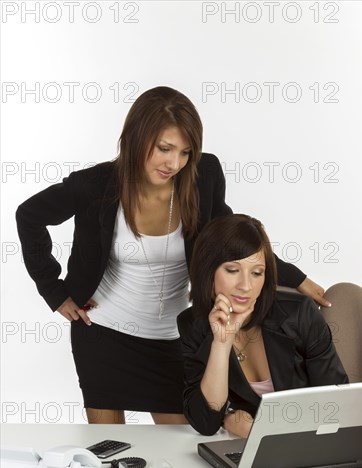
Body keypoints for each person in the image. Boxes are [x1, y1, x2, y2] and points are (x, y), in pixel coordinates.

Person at [16, 86, 329, 425]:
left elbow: (231, 240)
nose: (174, 163)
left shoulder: (202, 176)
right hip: (103, 335)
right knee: (108, 458)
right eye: (165, 148)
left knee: (179, 451)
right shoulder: (96, 185)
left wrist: (297, 279)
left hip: (173, 339)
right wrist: (54, 291)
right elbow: (29, 215)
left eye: (184, 152)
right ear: (137, 138)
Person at [177, 214, 348, 436]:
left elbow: (337, 404)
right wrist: (222, 343)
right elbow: (205, 422)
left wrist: (257, 429)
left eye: (257, 273)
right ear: (208, 272)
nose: (246, 286)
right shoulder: (193, 326)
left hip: (311, 443)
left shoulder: (299, 314)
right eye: (232, 270)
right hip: (248, 452)